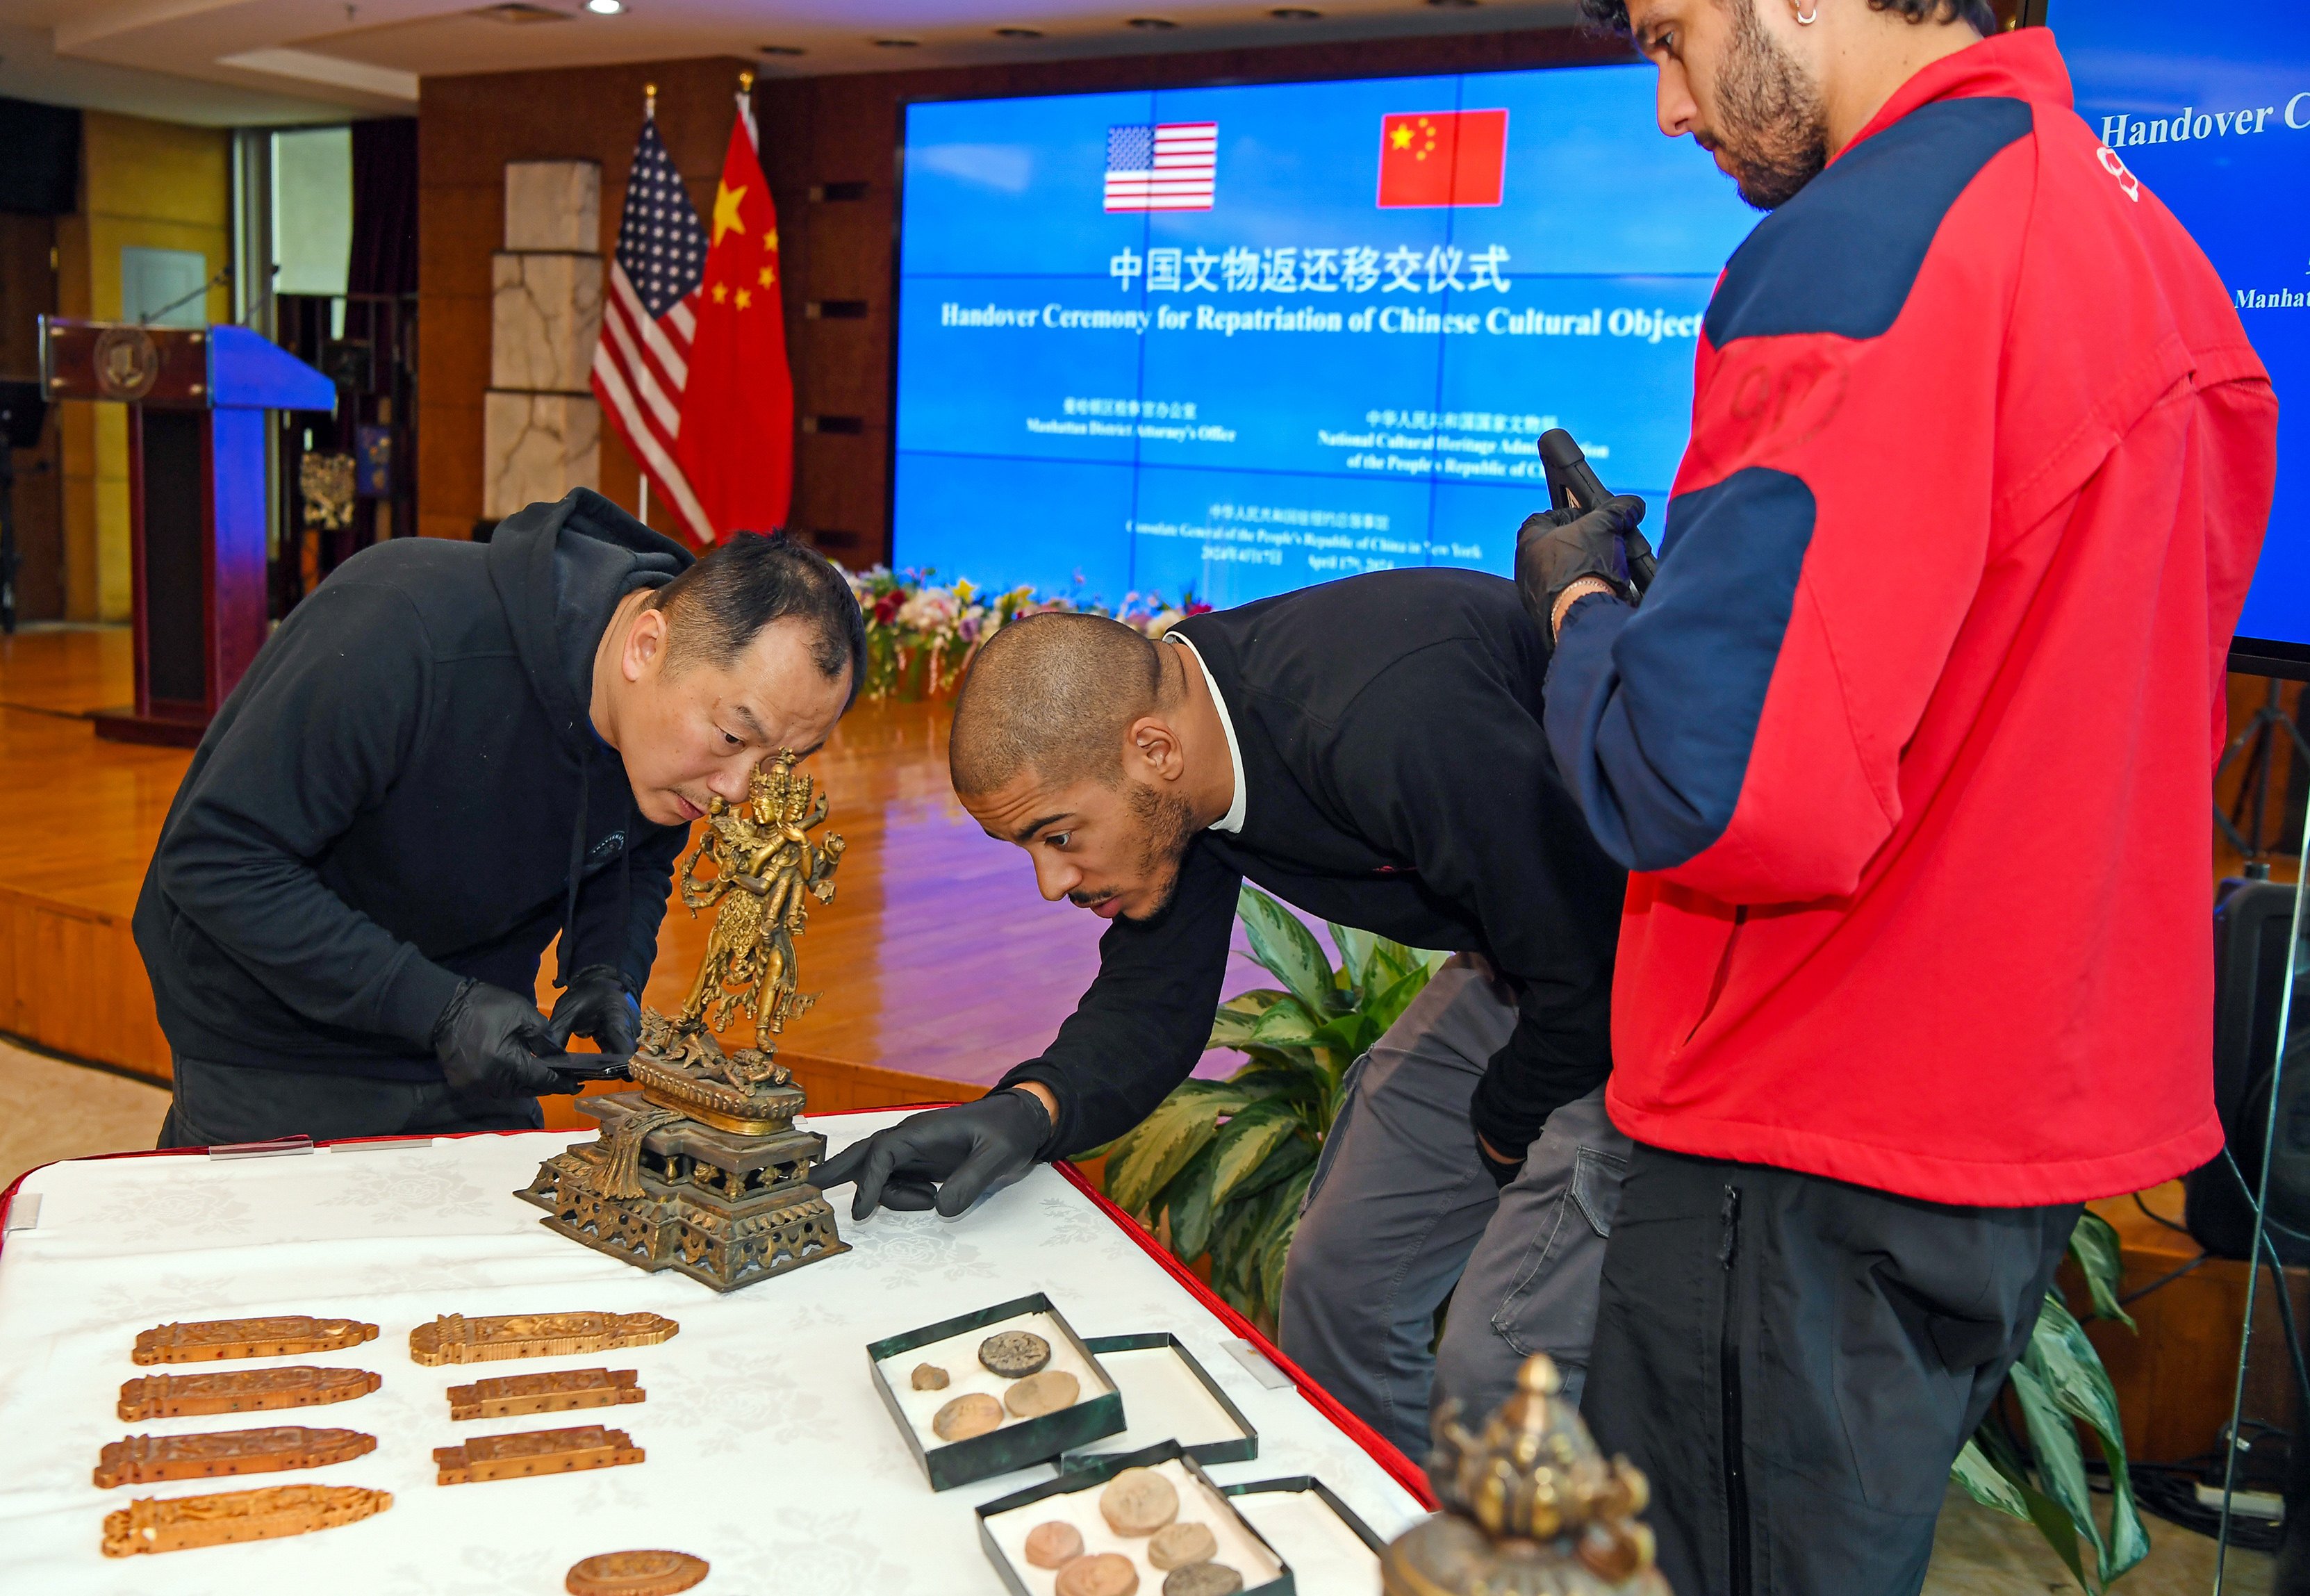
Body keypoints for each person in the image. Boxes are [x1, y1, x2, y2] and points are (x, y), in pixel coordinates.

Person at [1517, 0, 2278, 1590]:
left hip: (1806, 1120)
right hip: (1996, 1121)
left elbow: (1712, 792)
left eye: (1670, 36)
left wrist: (1583, 619)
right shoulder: (2146, 245)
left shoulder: (1868, 240)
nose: (1667, 105)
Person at [814, 574, 1628, 1456]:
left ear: (1154, 749)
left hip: (1649, 966)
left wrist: (1505, 1126)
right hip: (1533, 950)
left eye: (1057, 835)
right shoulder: (1178, 752)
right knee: (1341, 1284)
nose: (1051, 883)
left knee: (1499, 1366)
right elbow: (1154, 996)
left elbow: (1589, 962)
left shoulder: (1384, 718)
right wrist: (1029, 1108)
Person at [138, 488, 865, 1148]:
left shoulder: (670, 737)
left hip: (474, 1044)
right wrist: (438, 1006)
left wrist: (606, 965)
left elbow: (632, 852)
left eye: (779, 762)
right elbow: (216, 862)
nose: (738, 788)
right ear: (647, 645)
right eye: (734, 737)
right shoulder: (403, 627)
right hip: (271, 1042)